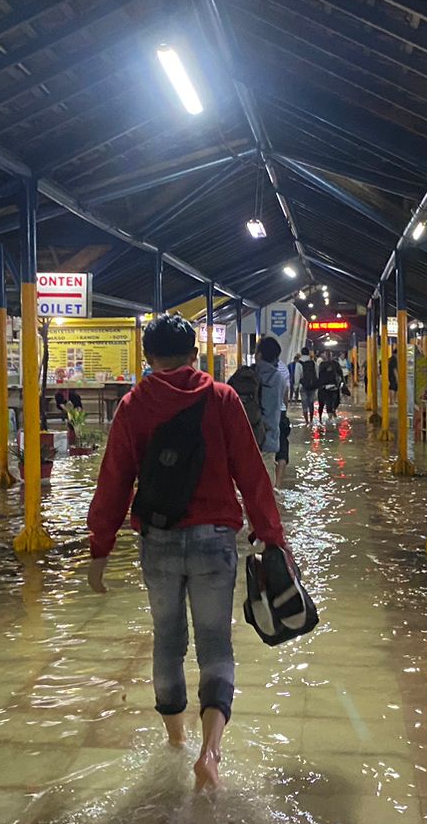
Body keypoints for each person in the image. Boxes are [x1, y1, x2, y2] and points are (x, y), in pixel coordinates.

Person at [87, 314, 288, 792]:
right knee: (215, 642)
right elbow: (251, 474)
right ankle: (210, 753)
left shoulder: (134, 405)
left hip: (158, 541)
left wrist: (101, 547)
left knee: (167, 639)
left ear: (147, 358)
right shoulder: (221, 399)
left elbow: (113, 480)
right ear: (197, 355)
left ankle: (175, 744)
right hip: (215, 539)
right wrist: (272, 534)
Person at [250, 336, 289, 488]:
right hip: (268, 439)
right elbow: (282, 402)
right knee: (266, 492)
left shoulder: (246, 374)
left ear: (258, 355)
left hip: (246, 438)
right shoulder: (279, 378)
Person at [293, 347, 318, 424]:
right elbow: (317, 375)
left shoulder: (298, 363)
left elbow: (297, 376)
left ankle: (306, 421)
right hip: (312, 386)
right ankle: (311, 420)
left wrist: (295, 387)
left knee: (304, 403)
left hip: (303, 386)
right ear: (308, 353)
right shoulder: (313, 363)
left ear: (301, 353)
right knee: (311, 403)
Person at [316, 351, 343, 421]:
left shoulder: (322, 364)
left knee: (323, 403)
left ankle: (321, 419)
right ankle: (330, 415)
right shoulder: (335, 364)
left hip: (324, 386)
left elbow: (319, 375)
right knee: (333, 401)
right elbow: (340, 373)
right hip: (333, 386)